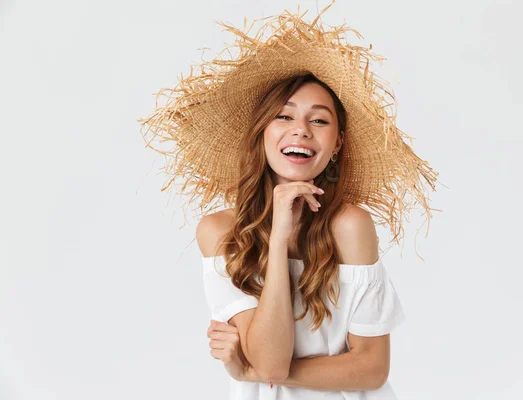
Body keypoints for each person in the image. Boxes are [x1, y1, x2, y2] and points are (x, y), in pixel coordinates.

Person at [138, 2, 438, 398]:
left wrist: (249, 371)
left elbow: (370, 369)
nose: (301, 130)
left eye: (319, 120)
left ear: (337, 145)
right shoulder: (219, 231)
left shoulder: (350, 226)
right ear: (261, 133)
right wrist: (277, 240)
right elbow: (271, 360)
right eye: (283, 117)